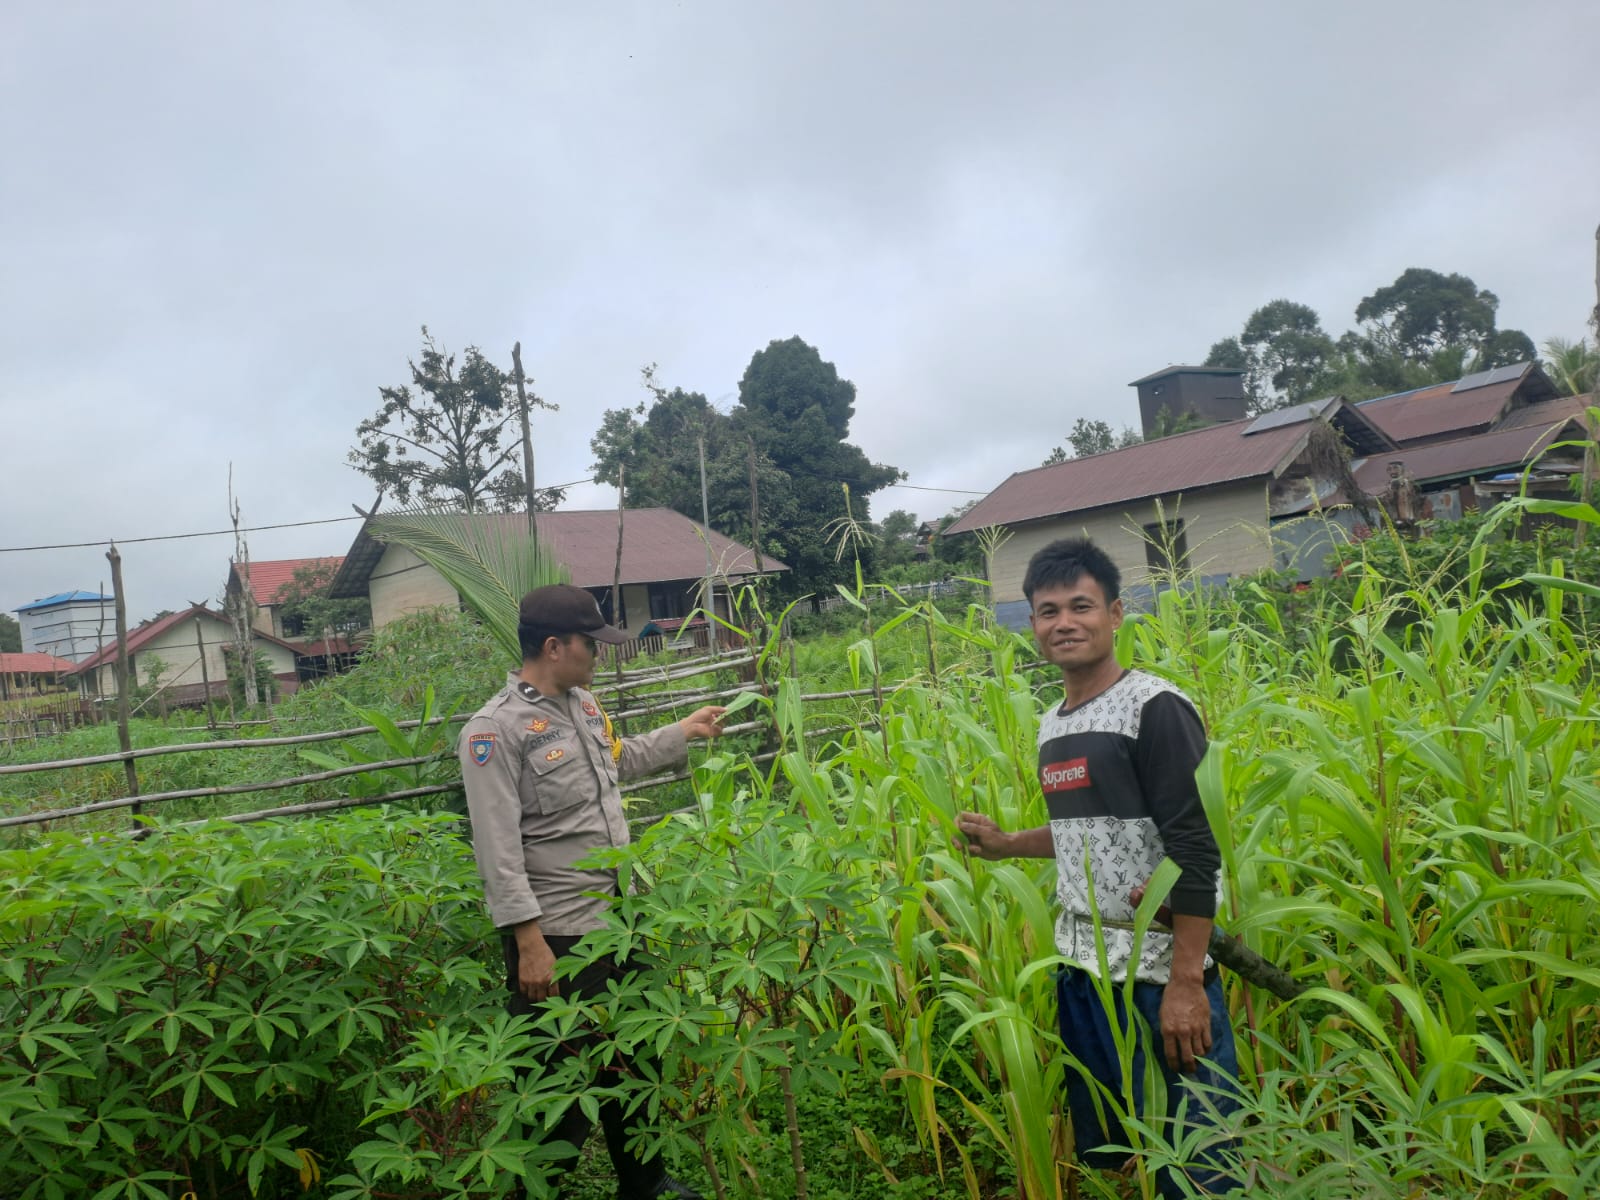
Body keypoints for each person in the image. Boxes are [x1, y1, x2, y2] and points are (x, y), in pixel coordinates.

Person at [955, 538, 1241, 1197]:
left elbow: (1195, 850)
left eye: (1081, 606)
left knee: (1200, 1160)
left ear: (1115, 614)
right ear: (1032, 624)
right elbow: (1083, 836)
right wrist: (1005, 845)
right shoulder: (1055, 722)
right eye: (1048, 610)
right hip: (1083, 971)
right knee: (1114, 1151)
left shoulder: (1154, 708)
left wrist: (1186, 983)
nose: (1064, 622)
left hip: (1156, 971)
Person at [458, 583, 724, 1200]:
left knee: (634, 1064)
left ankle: (646, 1183)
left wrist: (681, 731)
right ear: (555, 647)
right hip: (559, 935)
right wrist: (528, 941)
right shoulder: (494, 731)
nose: (599, 656)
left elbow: (618, 759)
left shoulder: (581, 705)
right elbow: (497, 848)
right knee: (560, 1088)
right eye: (590, 645)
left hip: (619, 920)